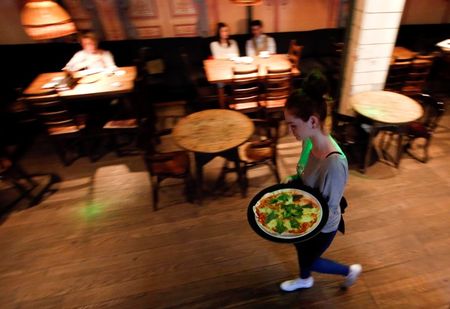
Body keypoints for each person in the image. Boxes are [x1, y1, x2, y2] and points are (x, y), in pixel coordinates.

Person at [279, 76, 362, 292]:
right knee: (301, 249)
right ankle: (305, 279)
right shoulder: (310, 141)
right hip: (307, 214)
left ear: (313, 122)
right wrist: (293, 183)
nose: (291, 131)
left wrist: (290, 216)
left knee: (310, 259)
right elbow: (307, 179)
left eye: (293, 125)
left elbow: (325, 209)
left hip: (322, 225)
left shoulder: (334, 163)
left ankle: (349, 271)